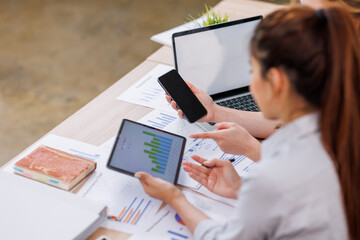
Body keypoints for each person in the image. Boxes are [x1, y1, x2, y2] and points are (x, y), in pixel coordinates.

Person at [135, 6, 360, 239]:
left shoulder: (272, 178)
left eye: (252, 70)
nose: (250, 83)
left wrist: (175, 197)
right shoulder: (342, 120)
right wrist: (214, 112)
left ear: (276, 81)